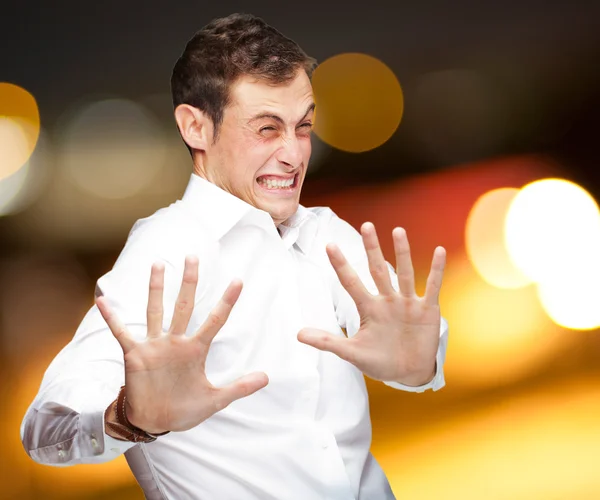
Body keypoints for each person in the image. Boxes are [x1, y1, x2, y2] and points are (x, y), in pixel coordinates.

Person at [21, 13, 448, 500]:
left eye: (302, 126)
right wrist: (129, 417)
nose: (294, 154)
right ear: (196, 128)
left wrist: (420, 364)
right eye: (267, 129)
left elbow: (416, 351)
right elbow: (44, 428)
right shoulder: (167, 249)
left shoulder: (326, 233)